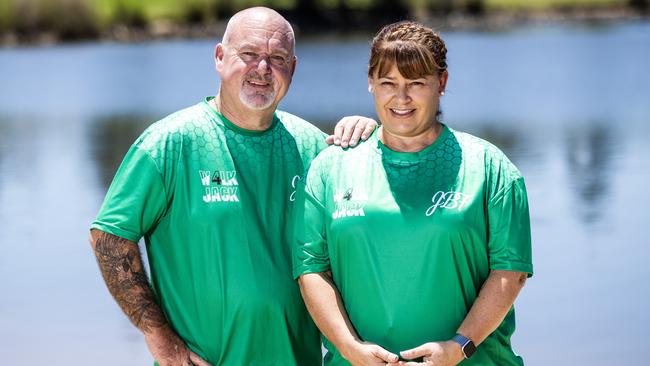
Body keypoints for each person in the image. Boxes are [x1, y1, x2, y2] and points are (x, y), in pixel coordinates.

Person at [89, 7, 376, 366]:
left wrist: (370, 136)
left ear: (293, 69)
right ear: (220, 58)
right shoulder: (170, 143)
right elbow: (110, 237)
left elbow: (368, 228)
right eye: (249, 54)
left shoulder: (315, 147)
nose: (262, 68)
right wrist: (159, 337)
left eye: (277, 58)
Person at [294, 21, 533, 366]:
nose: (401, 97)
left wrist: (458, 347)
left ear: (442, 83)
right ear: (371, 83)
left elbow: (510, 273)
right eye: (388, 83)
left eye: (416, 83)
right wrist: (349, 349)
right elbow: (311, 271)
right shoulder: (330, 168)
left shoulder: (490, 167)